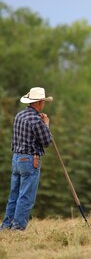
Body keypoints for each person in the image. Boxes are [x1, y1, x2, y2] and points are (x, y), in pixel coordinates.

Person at [0, 87, 53, 231]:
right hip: (30, 160)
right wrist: (46, 124)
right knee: (26, 197)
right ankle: (17, 228)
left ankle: (6, 225)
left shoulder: (19, 115)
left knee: (14, 195)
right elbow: (47, 141)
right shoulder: (36, 120)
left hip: (16, 159)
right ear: (40, 102)